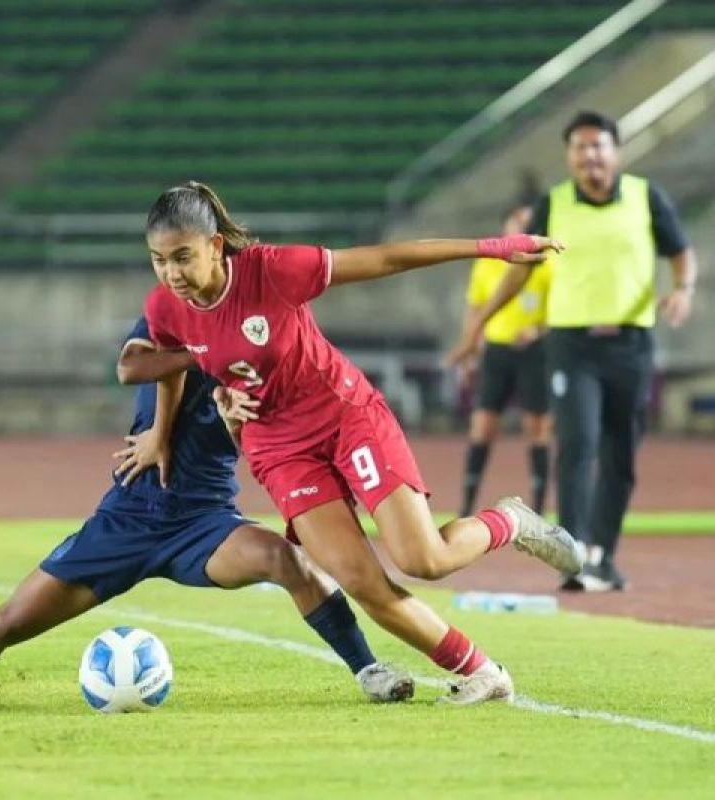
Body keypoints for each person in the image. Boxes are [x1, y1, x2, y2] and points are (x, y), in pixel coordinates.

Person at [130, 181, 585, 705]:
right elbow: (170, 366)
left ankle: (512, 521)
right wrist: (162, 432)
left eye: (183, 257)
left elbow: (388, 258)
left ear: (215, 246)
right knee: (361, 580)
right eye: (158, 260)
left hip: (344, 415)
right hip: (279, 449)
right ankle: (484, 672)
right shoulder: (165, 307)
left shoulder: (273, 270)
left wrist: (490, 247)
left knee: (423, 560)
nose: (172, 274)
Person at [0, 319, 415, 704]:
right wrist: (159, 431)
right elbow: (134, 367)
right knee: (2, 627)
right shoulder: (168, 319)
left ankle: (368, 669)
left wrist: (236, 421)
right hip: (128, 517)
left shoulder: (264, 354)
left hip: (204, 522)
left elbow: (269, 440)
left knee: (289, 562)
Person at [450, 111, 698, 592]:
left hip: (630, 343)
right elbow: (520, 268)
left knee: (621, 450)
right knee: (578, 442)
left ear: (616, 152)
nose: (589, 156)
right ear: (569, 157)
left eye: (598, 146)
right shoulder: (554, 204)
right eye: (579, 148)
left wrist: (683, 287)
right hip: (570, 344)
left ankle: (604, 554)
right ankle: (575, 555)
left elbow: (680, 250)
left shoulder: (646, 198)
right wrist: (478, 326)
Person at [452, 204, 552, 517]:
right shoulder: (488, 265)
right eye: (517, 221)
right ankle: (467, 505)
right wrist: (469, 351)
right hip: (497, 351)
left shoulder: (546, 264)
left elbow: (562, 311)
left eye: (529, 222)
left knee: (538, 429)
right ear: (505, 227)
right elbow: (474, 309)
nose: (523, 227)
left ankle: (538, 510)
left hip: (535, 354)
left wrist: (537, 330)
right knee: (482, 428)